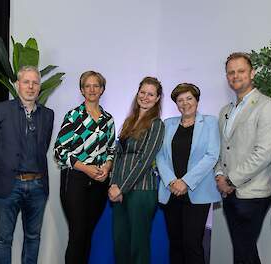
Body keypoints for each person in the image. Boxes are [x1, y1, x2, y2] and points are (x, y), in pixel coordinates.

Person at [215, 52, 271, 264]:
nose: (235, 76)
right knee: (243, 251)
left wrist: (230, 180)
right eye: (231, 72)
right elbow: (222, 148)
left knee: (243, 251)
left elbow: (264, 153)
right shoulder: (226, 110)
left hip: (254, 193)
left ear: (252, 73)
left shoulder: (268, 106)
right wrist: (219, 174)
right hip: (229, 192)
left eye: (241, 71)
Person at [0, 65, 54, 264]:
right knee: (4, 239)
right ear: (17, 85)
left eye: (35, 83)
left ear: (39, 87)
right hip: (8, 185)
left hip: (38, 186)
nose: (30, 87)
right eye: (26, 82)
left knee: (33, 237)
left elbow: (43, 146)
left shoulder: (48, 115)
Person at [54, 70, 116, 264]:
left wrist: (107, 166)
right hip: (75, 180)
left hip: (99, 182)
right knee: (78, 233)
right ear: (81, 90)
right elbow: (59, 151)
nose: (92, 89)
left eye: (96, 85)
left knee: (88, 232)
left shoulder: (108, 120)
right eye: (87, 86)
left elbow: (112, 150)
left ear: (102, 89)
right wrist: (86, 168)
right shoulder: (73, 116)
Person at [156, 83, 221, 264]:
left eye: (189, 98)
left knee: (192, 244)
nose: (185, 103)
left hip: (197, 192)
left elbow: (212, 155)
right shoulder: (168, 124)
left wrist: (185, 182)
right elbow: (160, 156)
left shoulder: (210, 122)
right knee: (175, 243)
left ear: (197, 100)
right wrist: (171, 181)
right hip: (171, 192)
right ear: (176, 104)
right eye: (180, 100)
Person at [109, 77, 165, 264]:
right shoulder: (128, 121)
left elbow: (145, 160)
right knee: (120, 244)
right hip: (119, 191)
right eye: (143, 92)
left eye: (151, 94)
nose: (145, 97)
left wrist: (121, 188)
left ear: (157, 99)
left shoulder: (156, 124)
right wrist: (112, 185)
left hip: (141, 192)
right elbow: (118, 155)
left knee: (138, 247)